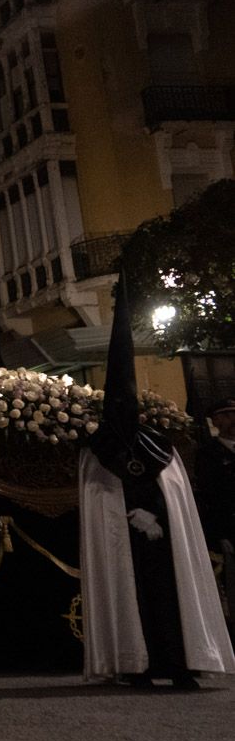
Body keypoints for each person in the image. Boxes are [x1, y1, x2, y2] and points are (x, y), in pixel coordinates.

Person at [80, 276, 233, 688]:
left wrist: (156, 516)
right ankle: (137, 664)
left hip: (164, 546)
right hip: (124, 548)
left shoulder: (160, 447)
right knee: (136, 601)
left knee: (171, 599)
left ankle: (181, 663)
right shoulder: (99, 450)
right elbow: (99, 500)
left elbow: (178, 496)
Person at [194, 396, 235, 644]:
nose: (233, 420)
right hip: (229, 529)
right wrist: (220, 534)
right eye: (228, 415)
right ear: (216, 421)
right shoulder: (209, 454)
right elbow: (210, 497)